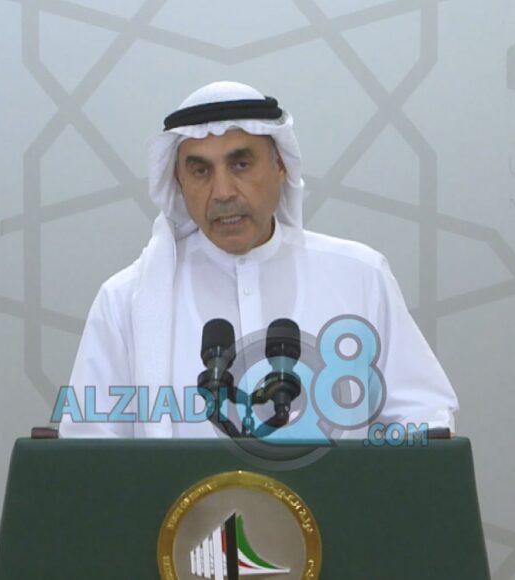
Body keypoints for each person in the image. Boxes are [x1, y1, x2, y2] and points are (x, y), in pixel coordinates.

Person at [58, 80, 458, 438]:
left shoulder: (360, 277)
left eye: (241, 164)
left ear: (280, 166)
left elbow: (422, 415)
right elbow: (90, 446)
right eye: (200, 171)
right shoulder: (125, 301)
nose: (223, 192)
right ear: (179, 182)